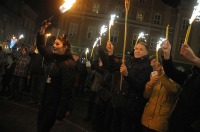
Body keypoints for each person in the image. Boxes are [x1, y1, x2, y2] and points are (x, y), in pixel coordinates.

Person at [36, 21, 76, 132]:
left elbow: (67, 91)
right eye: (54, 43)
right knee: (39, 127)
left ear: (65, 47)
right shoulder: (54, 57)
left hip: (53, 107)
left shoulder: (68, 64)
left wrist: (60, 115)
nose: (54, 45)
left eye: (57, 44)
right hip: (45, 102)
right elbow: (41, 47)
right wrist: (42, 31)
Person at [106, 41, 152, 132]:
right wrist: (111, 53)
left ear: (146, 53)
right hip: (119, 101)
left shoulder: (147, 67)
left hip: (131, 106)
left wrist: (127, 74)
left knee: (125, 128)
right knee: (114, 127)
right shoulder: (129, 61)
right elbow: (112, 67)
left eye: (141, 49)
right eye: (136, 48)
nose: (137, 51)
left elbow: (139, 85)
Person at [161, 40, 200, 131]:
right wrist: (167, 54)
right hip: (177, 121)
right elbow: (172, 72)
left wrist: (194, 59)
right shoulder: (194, 74)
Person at [141, 60, 180, 132]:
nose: (162, 70)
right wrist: (150, 83)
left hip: (160, 122)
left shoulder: (175, 83)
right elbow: (146, 95)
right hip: (146, 119)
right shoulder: (155, 81)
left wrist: (162, 76)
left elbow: (172, 90)